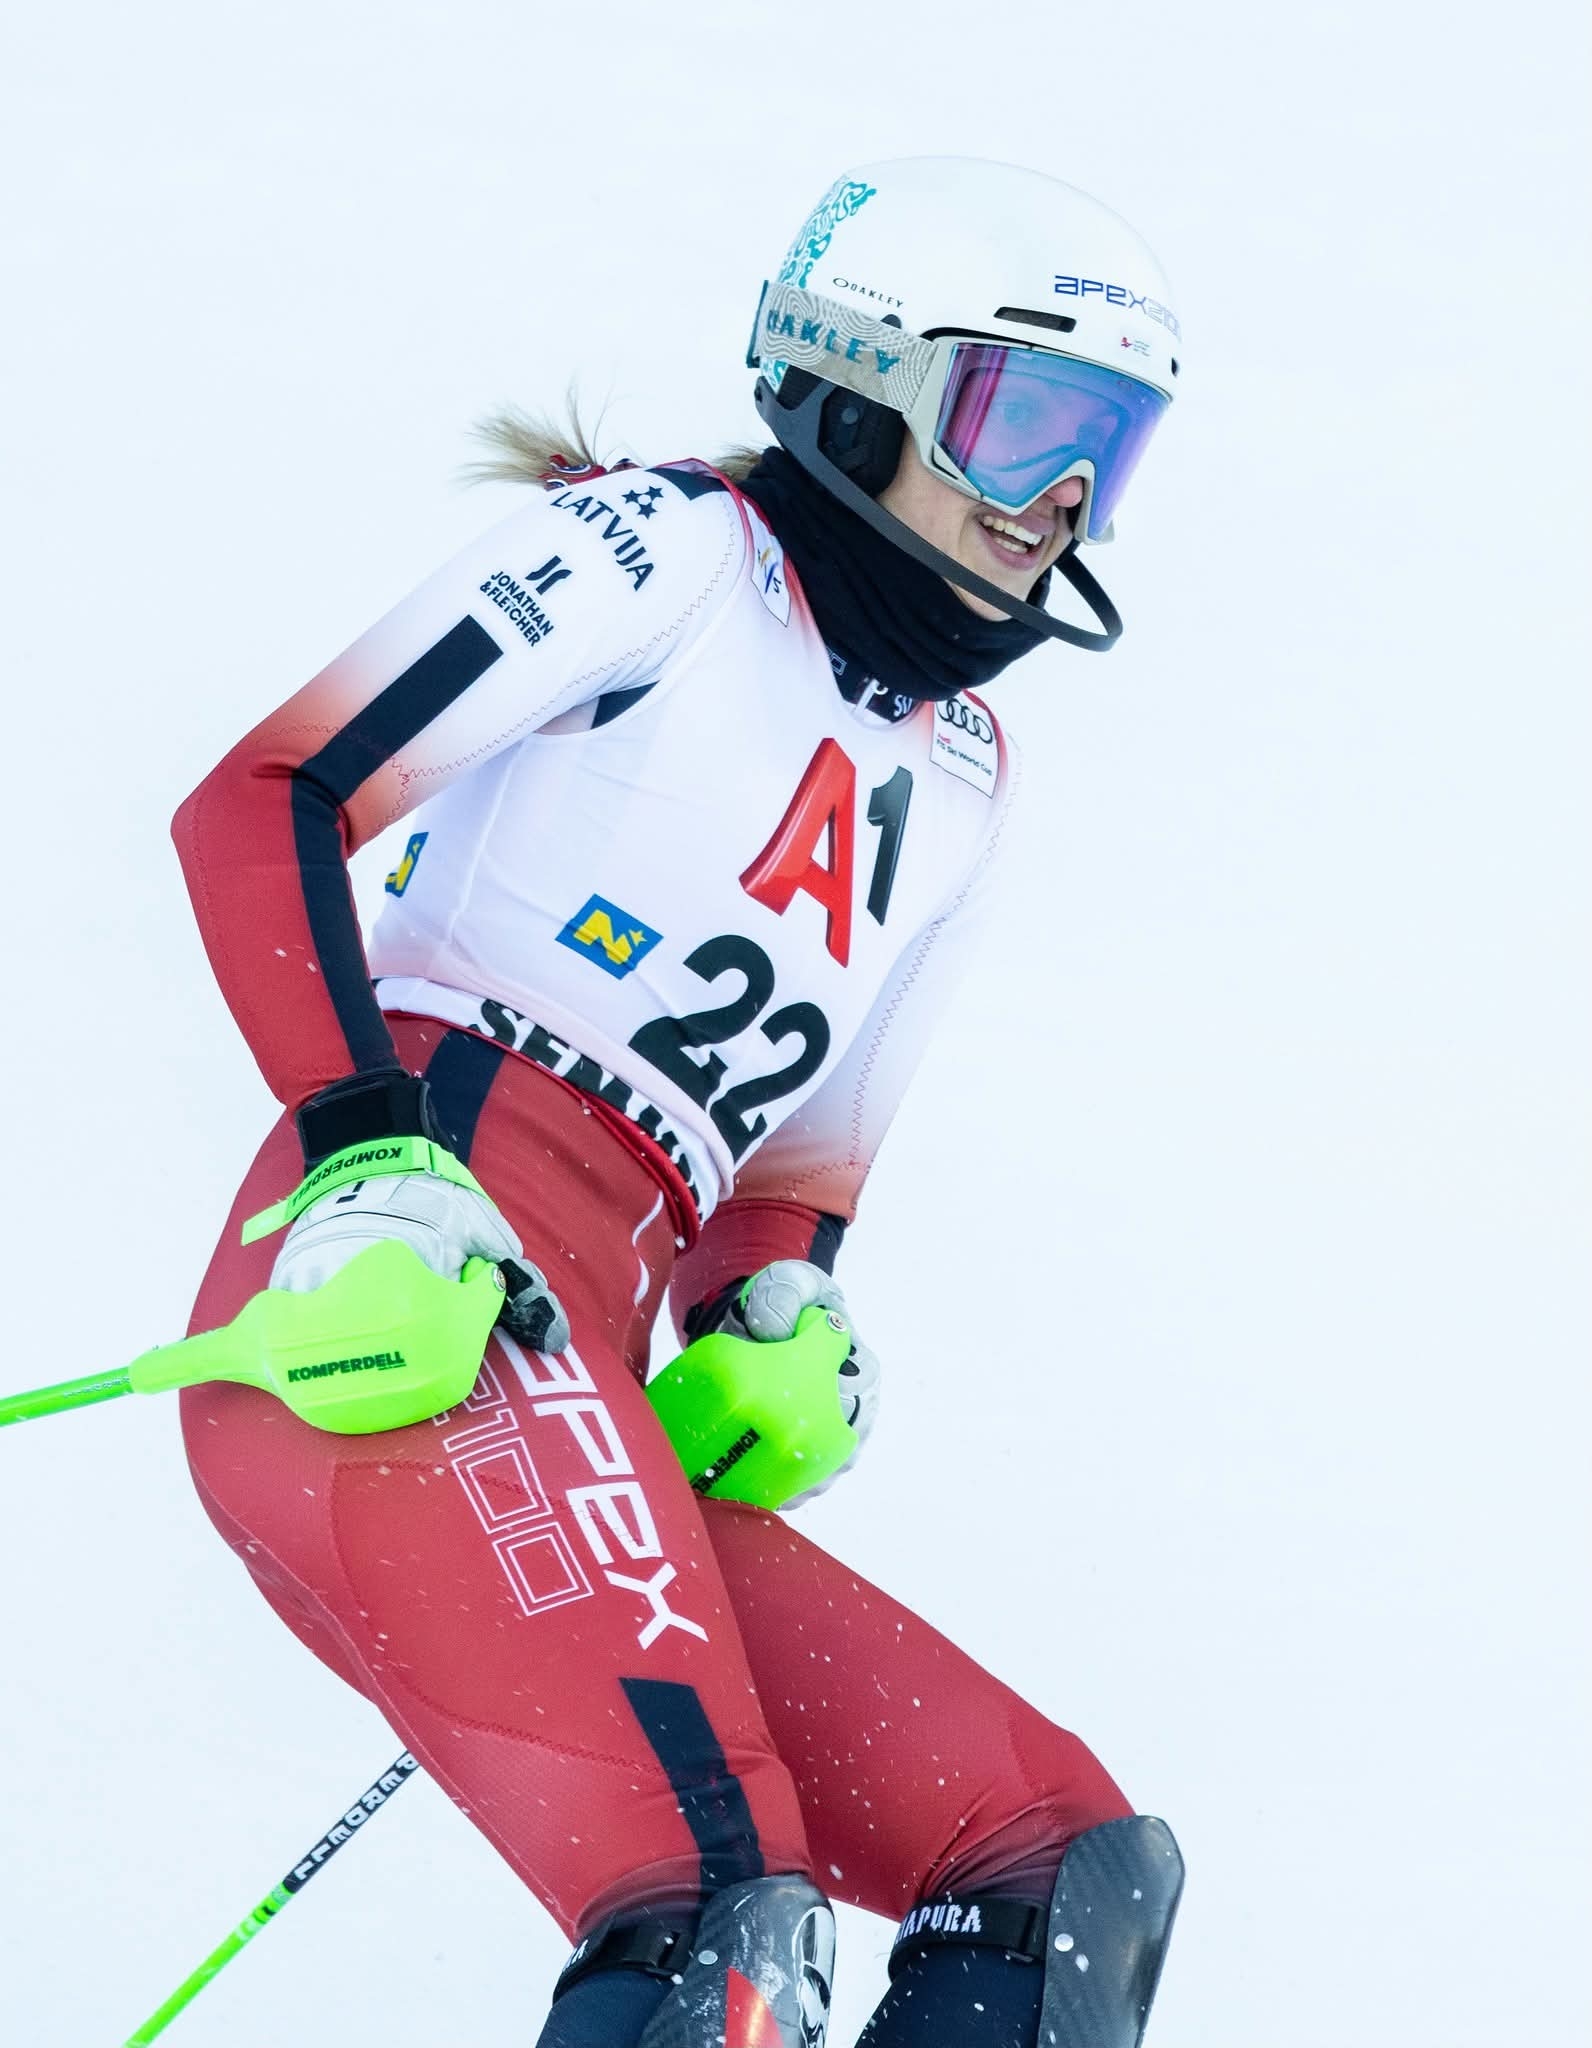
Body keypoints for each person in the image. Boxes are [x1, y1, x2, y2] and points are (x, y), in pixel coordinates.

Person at [173, 156, 1185, 2048]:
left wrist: (774, 1310)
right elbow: (264, 800)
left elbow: (785, 1181)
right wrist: (366, 1147)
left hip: (590, 1364)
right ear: (858, 386)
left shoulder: (965, 776)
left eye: (1107, 450)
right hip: (404, 1311)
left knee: (1057, 1870)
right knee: (722, 1927)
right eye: (1022, 418)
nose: (1062, 493)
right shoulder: (669, 555)